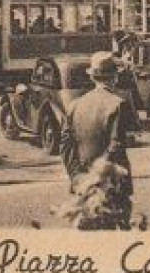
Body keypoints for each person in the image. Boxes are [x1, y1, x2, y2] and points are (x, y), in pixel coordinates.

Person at [59, 51, 137, 227]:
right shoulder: (117, 104)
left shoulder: (74, 106)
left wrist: (76, 175)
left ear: (93, 78)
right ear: (114, 77)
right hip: (112, 181)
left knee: (88, 233)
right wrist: (100, 174)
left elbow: (65, 145)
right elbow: (116, 145)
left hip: (82, 181)